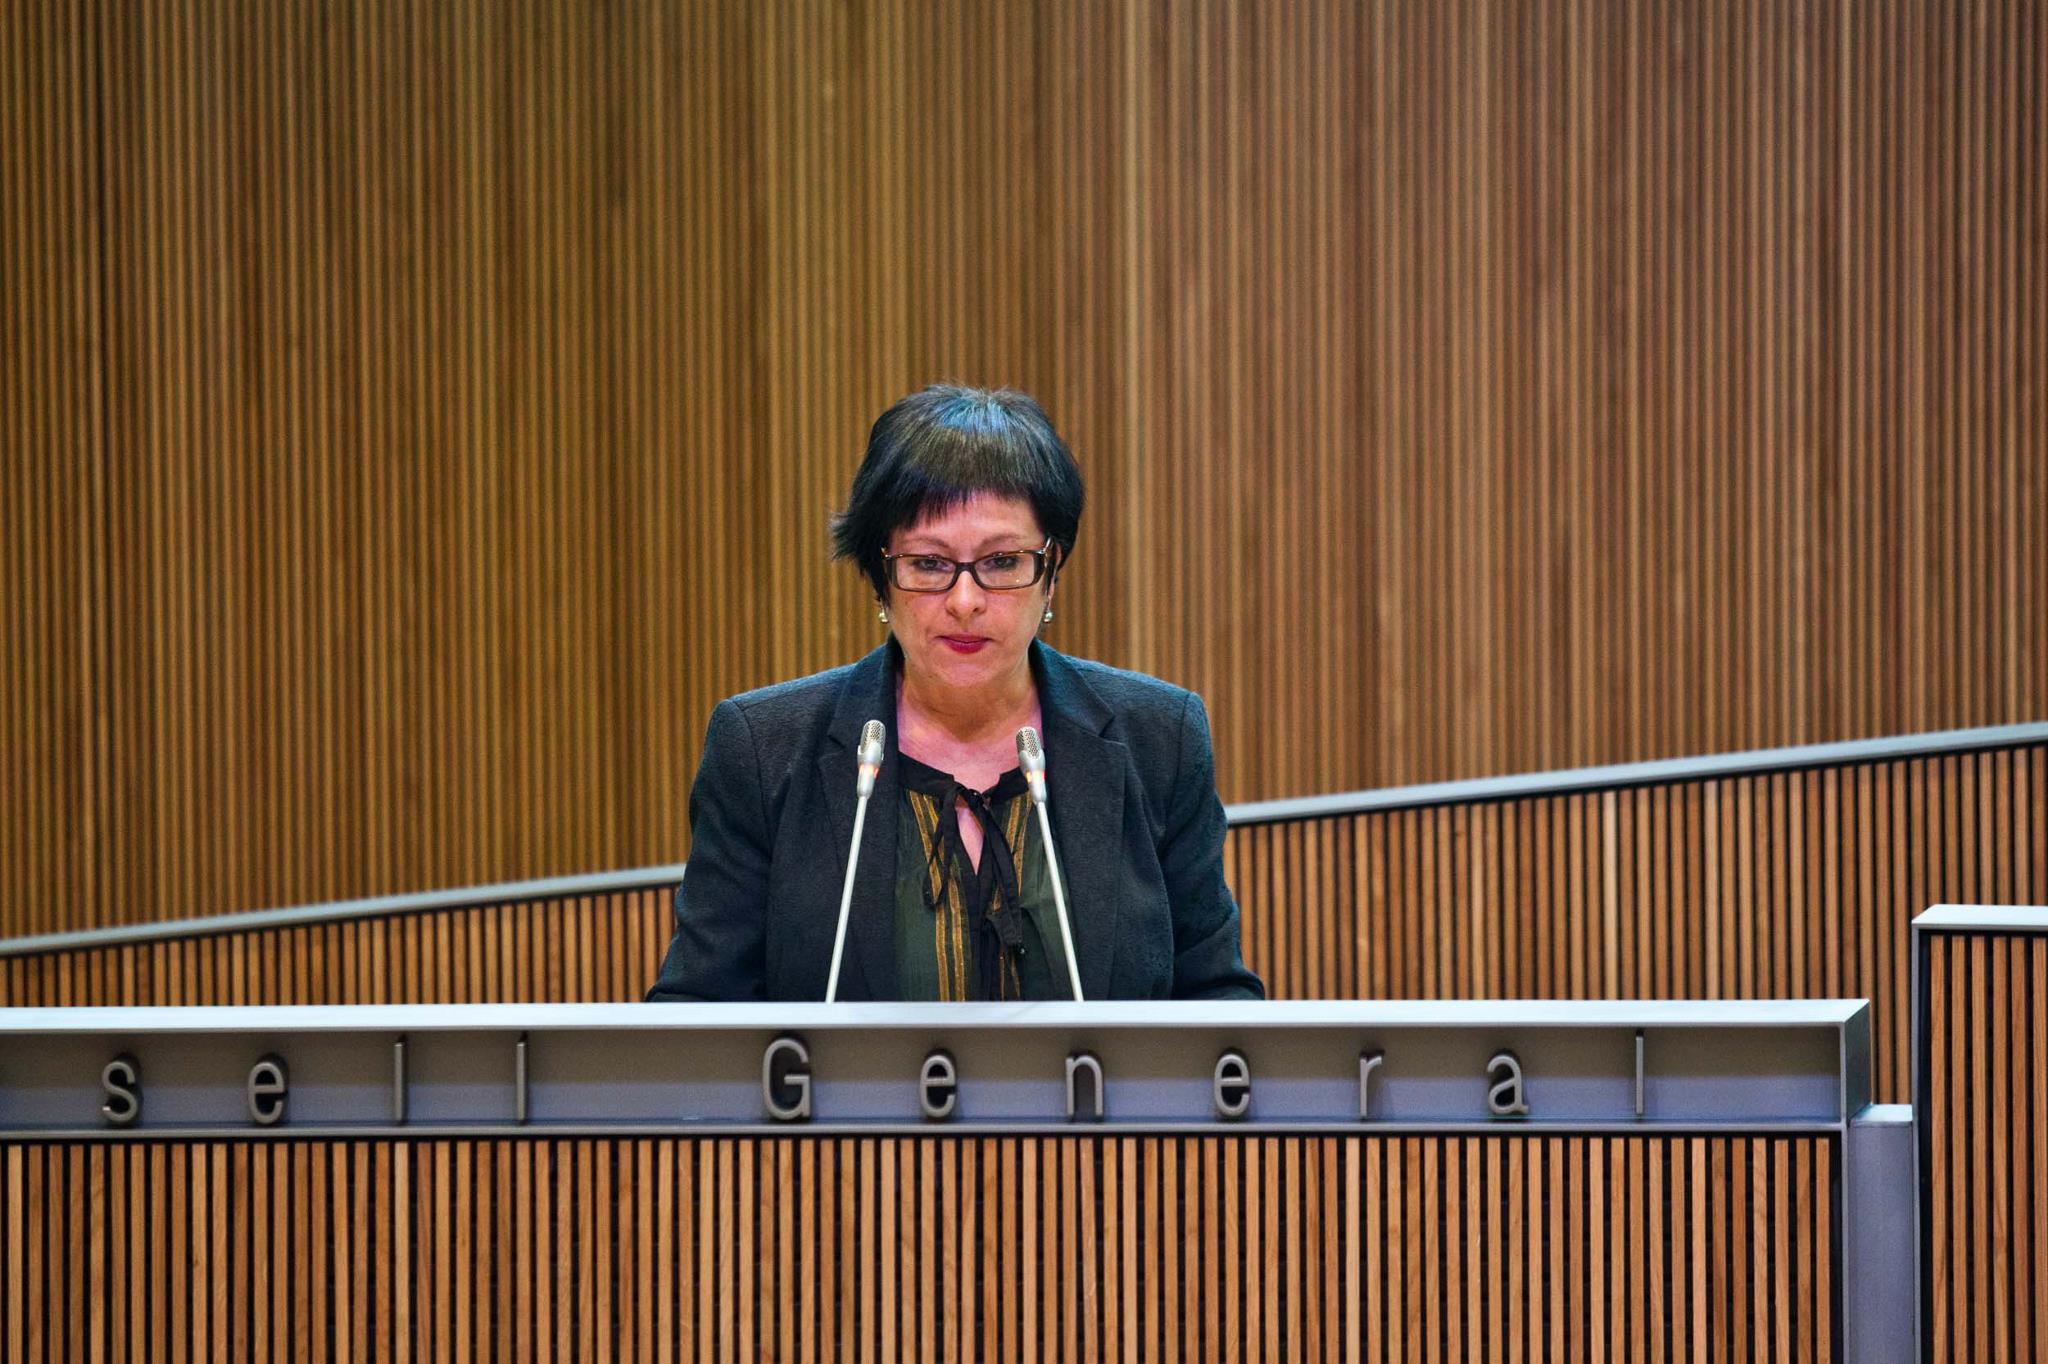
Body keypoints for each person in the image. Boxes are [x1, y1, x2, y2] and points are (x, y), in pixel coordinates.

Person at [646, 384, 1264, 1002]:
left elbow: (1220, 1004)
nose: (965, 602)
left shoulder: (1159, 739)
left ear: (1051, 573)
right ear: (880, 577)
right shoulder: (762, 750)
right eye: (929, 564)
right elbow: (695, 1019)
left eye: (1001, 563)